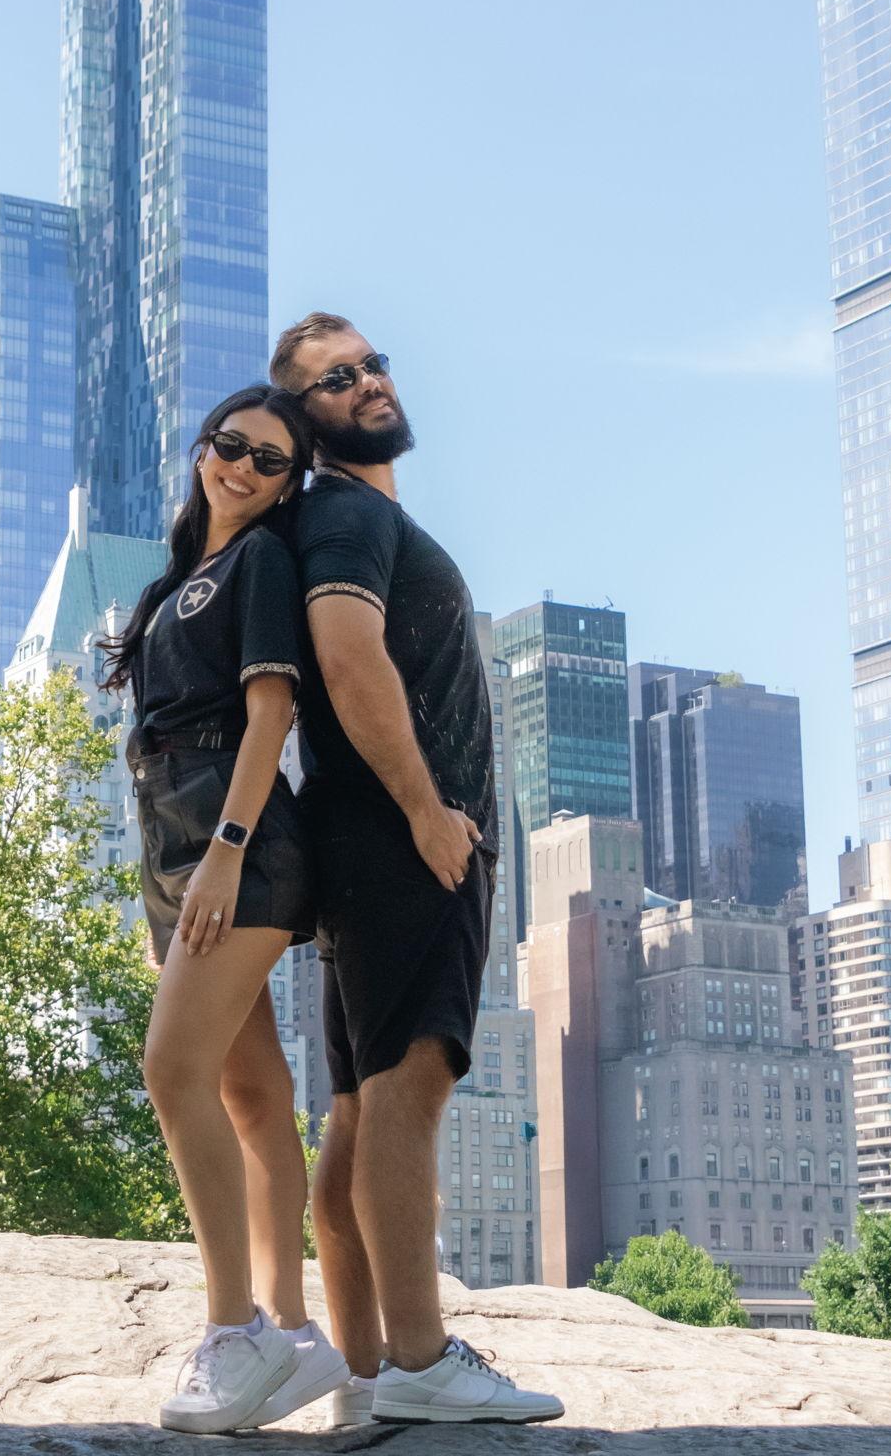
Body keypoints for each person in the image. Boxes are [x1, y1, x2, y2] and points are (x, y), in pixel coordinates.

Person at [271, 313, 565, 1429]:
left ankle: (366, 1370)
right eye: (336, 378)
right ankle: (421, 1358)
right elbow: (347, 659)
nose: (368, 381)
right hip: (401, 843)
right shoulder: (348, 514)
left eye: (372, 363)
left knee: (355, 1111)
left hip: (367, 847)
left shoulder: (352, 515)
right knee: (408, 1089)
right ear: (306, 418)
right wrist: (426, 812)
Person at [98, 385, 350, 1434]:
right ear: (204, 448)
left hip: (234, 843)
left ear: (288, 485)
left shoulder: (258, 564)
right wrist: (160, 889)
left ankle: (233, 1329)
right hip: (176, 843)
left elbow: (269, 714)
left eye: (269, 460)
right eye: (230, 445)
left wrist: (224, 854)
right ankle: (290, 1329)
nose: (241, 468)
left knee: (172, 1071)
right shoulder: (175, 581)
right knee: (251, 1091)